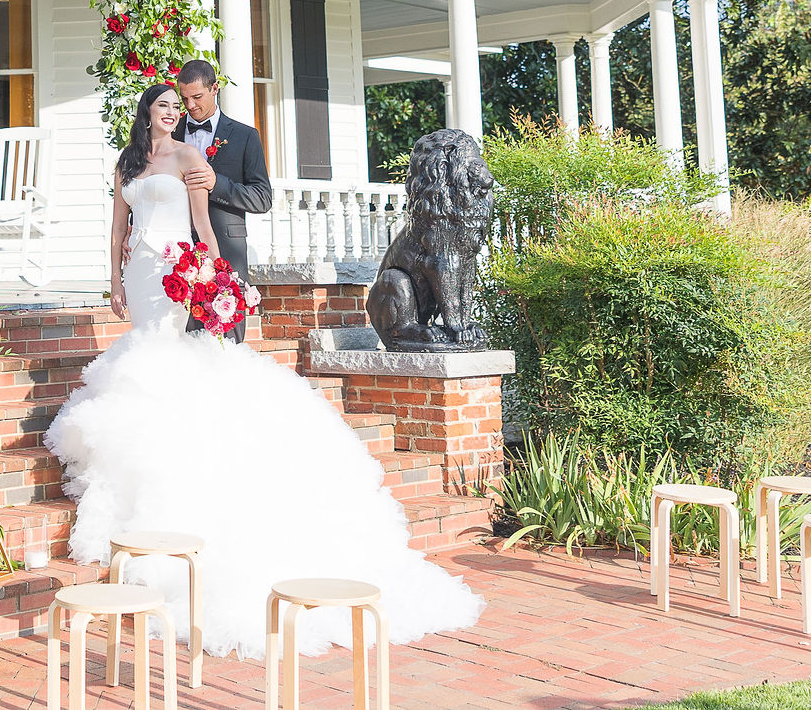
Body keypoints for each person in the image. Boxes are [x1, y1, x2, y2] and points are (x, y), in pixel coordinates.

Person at [47, 82, 484, 662]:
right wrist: (114, 279)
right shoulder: (128, 163)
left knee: (172, 352)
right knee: (141, 347)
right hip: (141, 272)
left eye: (179, 106)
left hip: (178, 267)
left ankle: (180, 435)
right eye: (165, 106)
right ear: (146, 114)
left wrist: (219, 274)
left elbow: (203, 222)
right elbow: (117, 227)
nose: (175, 113)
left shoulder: (188, 156)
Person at [171, 60, 269, 343]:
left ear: (215, 89)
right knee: (178, 339)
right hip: (176, 251)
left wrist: (218, 185)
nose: (189, 106)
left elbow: (262, 198)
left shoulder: (245, 136)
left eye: (197, 97)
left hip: (227, 251)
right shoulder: (169, 134)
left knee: (226, 341)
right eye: (185, 99)